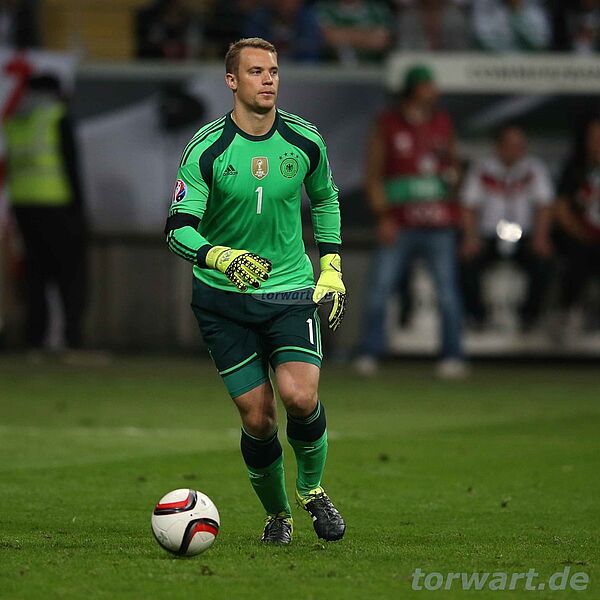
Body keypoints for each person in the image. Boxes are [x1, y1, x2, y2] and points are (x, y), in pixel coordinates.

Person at [163, 38, 346, 545]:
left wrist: (331, 267)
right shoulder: (207, 149)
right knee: (259, 418)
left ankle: (312, 491)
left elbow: (326, 199)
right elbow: (177, 229)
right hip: (223, 300)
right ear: (232, 81)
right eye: (256, 71)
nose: (268, 80)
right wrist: (222, 257)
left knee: (300, 396)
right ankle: (278, 515)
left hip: (289, 290)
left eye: (274, 71)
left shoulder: (305, 140)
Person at [355, 65, 466, 379]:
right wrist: (383, 215)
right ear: (413, 90)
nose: (434, 91)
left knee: (447, 291)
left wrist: (453, 185)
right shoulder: (387, 124)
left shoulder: (443, 122)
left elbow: (454, 166)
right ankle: (369, 351)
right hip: (399, 221)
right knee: (380, 288)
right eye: (428, 85)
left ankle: (453, 354)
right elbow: (374, 174)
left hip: (439, 222)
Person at [3, 74, 87, 352]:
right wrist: (80, 212)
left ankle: (35, 337)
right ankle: (71, 337)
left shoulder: (16, 120)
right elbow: (71, 166)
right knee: (71, 275)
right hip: (57, 205)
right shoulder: (56, 118)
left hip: (23, 206)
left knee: (35, 275)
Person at [459, 124, 555, 330]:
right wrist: (470, 238)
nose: (515, 150)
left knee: (545, 262)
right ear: (499, 146)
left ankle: (529, 318)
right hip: (488, 235)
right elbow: (468, 206)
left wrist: (541, 237)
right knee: (466, 262)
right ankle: (477, 317)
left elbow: (545, 205)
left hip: (524, 236)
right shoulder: (482, 167)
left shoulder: (534, 168)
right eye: (509, 145)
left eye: (519, 145)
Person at [554, 116, 600, 331]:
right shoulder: (574, 170)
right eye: (594, 138)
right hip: (579, 236)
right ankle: (568, 313)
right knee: (577, 256)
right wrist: (581, 233)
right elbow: (561, 209)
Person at [243, 0, 323, 62]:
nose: (287, 3)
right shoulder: (259, 19)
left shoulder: (308, 21)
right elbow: (251, 50)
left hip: (302, 72)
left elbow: (311, 54)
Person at [316, 0, 392, 63]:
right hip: (332, 69)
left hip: (372, 68)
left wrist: (342, 35)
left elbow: (379, 41)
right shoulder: (325, 8)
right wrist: (368, 36)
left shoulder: (377, 10)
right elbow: (329, 38)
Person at [472, 0, 551, 52]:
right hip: (494, 62)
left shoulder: (533, 8)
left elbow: (541, 42)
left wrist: (517, 13)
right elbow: (483, 40)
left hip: (530, 63)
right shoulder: (487, 7)